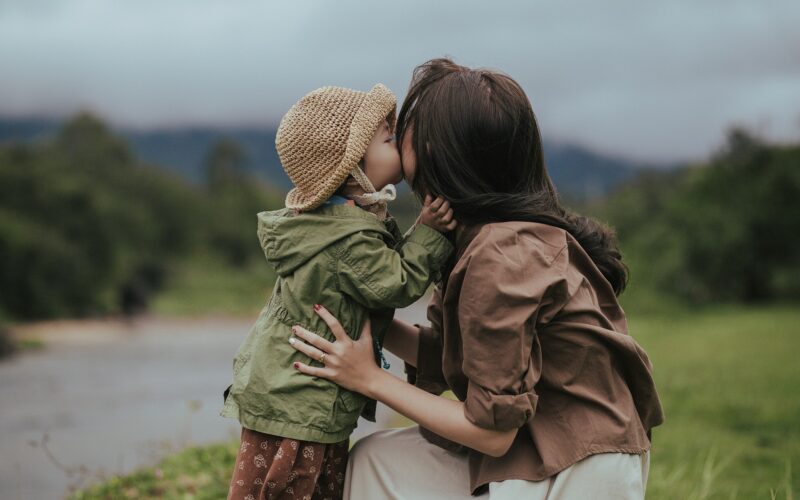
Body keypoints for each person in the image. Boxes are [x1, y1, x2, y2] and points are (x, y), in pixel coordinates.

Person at [287, 58, 665, 499]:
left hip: (575, 469)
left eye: (400, 131)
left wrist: (369, 378)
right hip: (547, 446)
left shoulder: (502, 255)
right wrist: (364, 315)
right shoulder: (487, 235)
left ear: (433, 151)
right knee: (376, 460)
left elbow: (491, 432)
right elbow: (459, 356)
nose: (394, 139)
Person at [220, 83, 457, 500]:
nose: (398, 143)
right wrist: (431, 234)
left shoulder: (338, 222)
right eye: (387, 139)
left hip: (293, 397)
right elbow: (395, 283)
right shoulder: (347, 237)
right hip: (299, 403)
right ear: (351, 170)